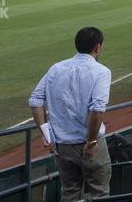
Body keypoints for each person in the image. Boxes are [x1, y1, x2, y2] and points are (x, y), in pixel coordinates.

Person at [28, 27, 112, 202]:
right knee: (100, 193)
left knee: (69, 193)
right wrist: (92, 142)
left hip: (62, 147)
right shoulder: (101, 71)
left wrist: (46, 134)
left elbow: (35, 100)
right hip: (89, 146)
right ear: (97, 47)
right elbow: (97, 109)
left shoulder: (56, 68)